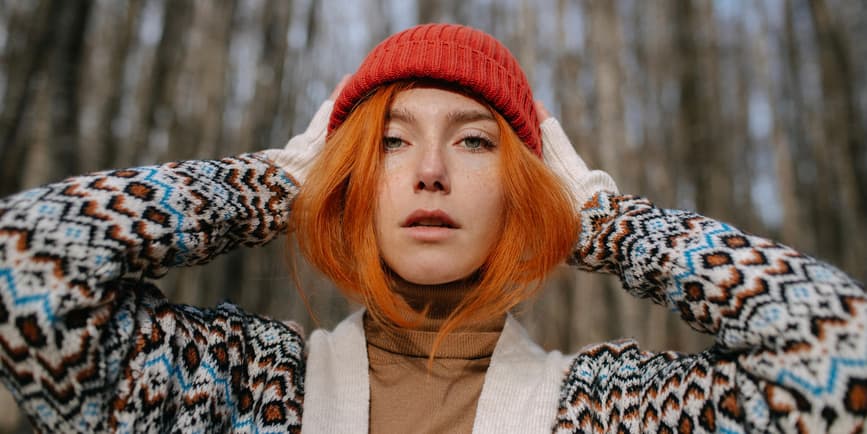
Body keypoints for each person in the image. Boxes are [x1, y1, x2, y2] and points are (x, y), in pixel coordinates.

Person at [0, 23, 863, 433]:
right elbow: (25, 268)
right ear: (349, 182)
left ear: (525, 192)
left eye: (475, 142)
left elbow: (840, 361)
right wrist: (270, 184)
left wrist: (602, 221)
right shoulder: (238, 393)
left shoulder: (607, 413)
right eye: (390, 142)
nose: (429, 171)